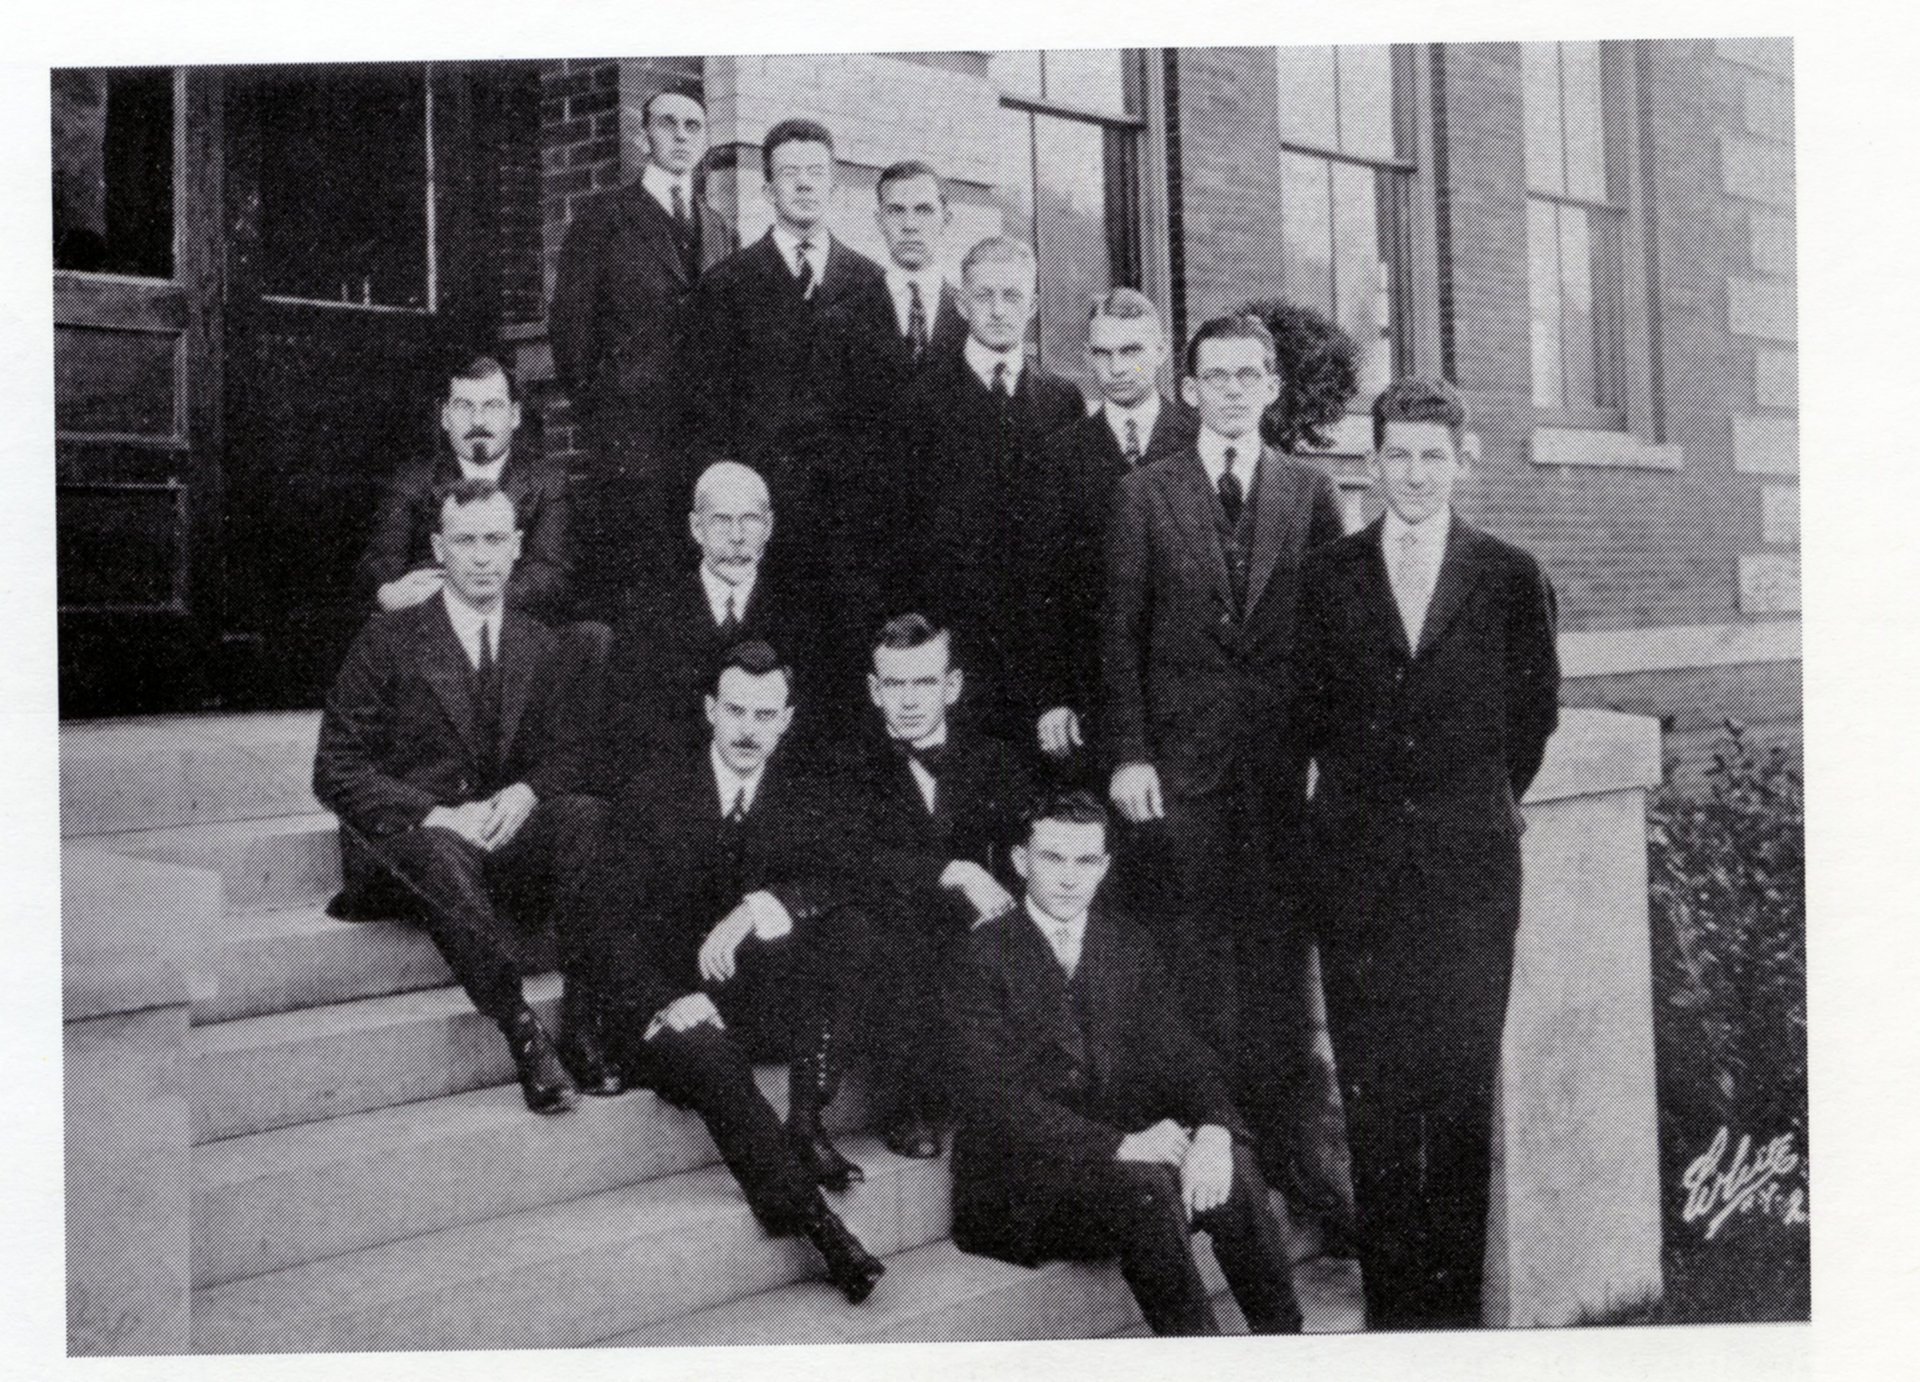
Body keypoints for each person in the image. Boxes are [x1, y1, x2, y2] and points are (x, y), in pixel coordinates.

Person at [1291, 378, 1560, 1329]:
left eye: (1431, 456)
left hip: (1468, 883)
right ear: (1372, 463)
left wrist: (1465, 814)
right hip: (1356, 882)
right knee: (1373, 1102)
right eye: (1396, 456)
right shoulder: (1329, 577)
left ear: (1461, 459)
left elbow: (1530, 726)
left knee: (1454, 1100)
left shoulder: (1509, 576)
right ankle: (1393, 1322)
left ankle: (1451, 1328)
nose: (1412, 473)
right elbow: (1308, 718)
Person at [946, 790, 1303, 1337]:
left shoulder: (1126, 942)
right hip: (1026, 1185)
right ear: (1020, 862)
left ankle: (1287, 1350)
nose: (1069, 878)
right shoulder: (979, 954)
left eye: (1086, 861)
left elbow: (1181, 1051)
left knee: (1232, 1165)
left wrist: (1213, 1128)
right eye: (1052, 859)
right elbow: (991, 1096)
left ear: (1105, 866)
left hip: (1116, 1168)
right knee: (1149, 1184)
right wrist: (1118, 1144)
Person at [592, 639, 886, 1306]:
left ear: (785, 720)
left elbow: (846, 879)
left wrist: (761, 907)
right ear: (709, 710)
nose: (749, 729)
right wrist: (669, 999)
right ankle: (819, 1225)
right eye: (736, 711)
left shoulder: (802, 795)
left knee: (853, 928)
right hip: (660, 1013)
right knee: (708, 1050)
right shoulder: (652, 796)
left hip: (751, 996)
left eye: (764, 714)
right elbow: (606, 934)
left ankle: (806, 1119)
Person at [316, 480, 619, 1116]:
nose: (480, 556)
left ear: (516, 549)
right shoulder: (389, 639)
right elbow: (336, 769)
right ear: (437, 550)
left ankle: (583, 1024)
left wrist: (527, 792)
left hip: (498, 841)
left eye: (494, 541)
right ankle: (523, 1032)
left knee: (589, 819)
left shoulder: (539, 642)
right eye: (464, 541)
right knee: (437, 848)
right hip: (411, 844)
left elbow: (570, 755)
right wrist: (436, 812)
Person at [1102, 313, 1343, 1062]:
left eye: (1248, 376)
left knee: (1277, 963)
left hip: (1278, 769)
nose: (1232, 390)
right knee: (1188, 956)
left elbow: (1335, 641)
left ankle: (1287, 1141)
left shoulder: (1310, 493)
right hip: (1181, 769)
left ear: (1272, 387)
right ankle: (1209, 1137)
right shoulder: (1144, 494)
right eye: (1216, 377)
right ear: (1189, 388)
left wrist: (1323, 758)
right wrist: (1131, 755)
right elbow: (1118, 635)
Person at [843, 614, 1031, 1159]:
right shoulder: (851, 766)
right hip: (901, 931)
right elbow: (850, 860)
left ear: (952, 687)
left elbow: (1028, 843)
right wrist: (953, 872)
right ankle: (911, 1103)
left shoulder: (993, 759)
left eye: (924, 682)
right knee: (888, 938)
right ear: (875, 691)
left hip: (981, 933)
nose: (909, 699)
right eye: (895, 684)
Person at [883, 235, 1083, 743]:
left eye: (1012, 296)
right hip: (950, 652)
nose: (998, 310)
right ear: (962, 303)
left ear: (1033, 304)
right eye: (984, 296)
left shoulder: (1061, 401)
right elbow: (897, 533)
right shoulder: (918, 401)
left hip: (1039, 658)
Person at [550, 87, 736, 609]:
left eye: (692, 127)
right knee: (637, 586)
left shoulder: (720, 228)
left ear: (704, 140)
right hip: (630, 443)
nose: (680, 136)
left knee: (694, 583)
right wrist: (606, 409)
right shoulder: (602, 218)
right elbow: (571, 333)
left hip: (700, 443)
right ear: (643, 135)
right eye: (668, 124)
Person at [686, 118, 886, 542]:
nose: (804, 185)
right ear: (767, 191)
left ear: (834, 189)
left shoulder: (872, 283)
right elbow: (707, 407)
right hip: (760, 506)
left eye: (816, 174)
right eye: (789, 174)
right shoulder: (727, 282)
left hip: (850, 512)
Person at [1028, 289, 1198, 772]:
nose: (1116, 367)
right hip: (1094, 695)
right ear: (1086, 358)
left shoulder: (1201, 440)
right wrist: (1053, 696)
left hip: (1189, 694)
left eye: (1131, 351)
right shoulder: (1059, 455)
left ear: (1162, 351)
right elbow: (1043, 586)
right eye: (1102, 354)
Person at [601, 460, 829, 791]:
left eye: (749, 520)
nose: (737, 537)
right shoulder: (647, 613)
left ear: (769, 526)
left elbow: (814, 734)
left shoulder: (804, 614)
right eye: (721, 521)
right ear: (696, 528)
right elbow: (630, 735)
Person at [803, 159, 967, 597]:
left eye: (923, 210)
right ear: (878, 220)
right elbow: (821, 438)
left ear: (946, 219)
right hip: (869, 549)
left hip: (953, 548)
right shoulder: (839, 321)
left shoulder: (971, 319)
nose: (910, 225)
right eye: (897, 211)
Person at [354, 356, 574, 627]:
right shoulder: (411, 481)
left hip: (514, 633)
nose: (477, 421)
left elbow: (550, 576)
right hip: (429, 636)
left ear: (515, 415)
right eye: (463, 406)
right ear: (445, 417)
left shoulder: (547, 482)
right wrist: (387, 592)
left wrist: (460, 598)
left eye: (492, 406)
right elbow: (381, 563)